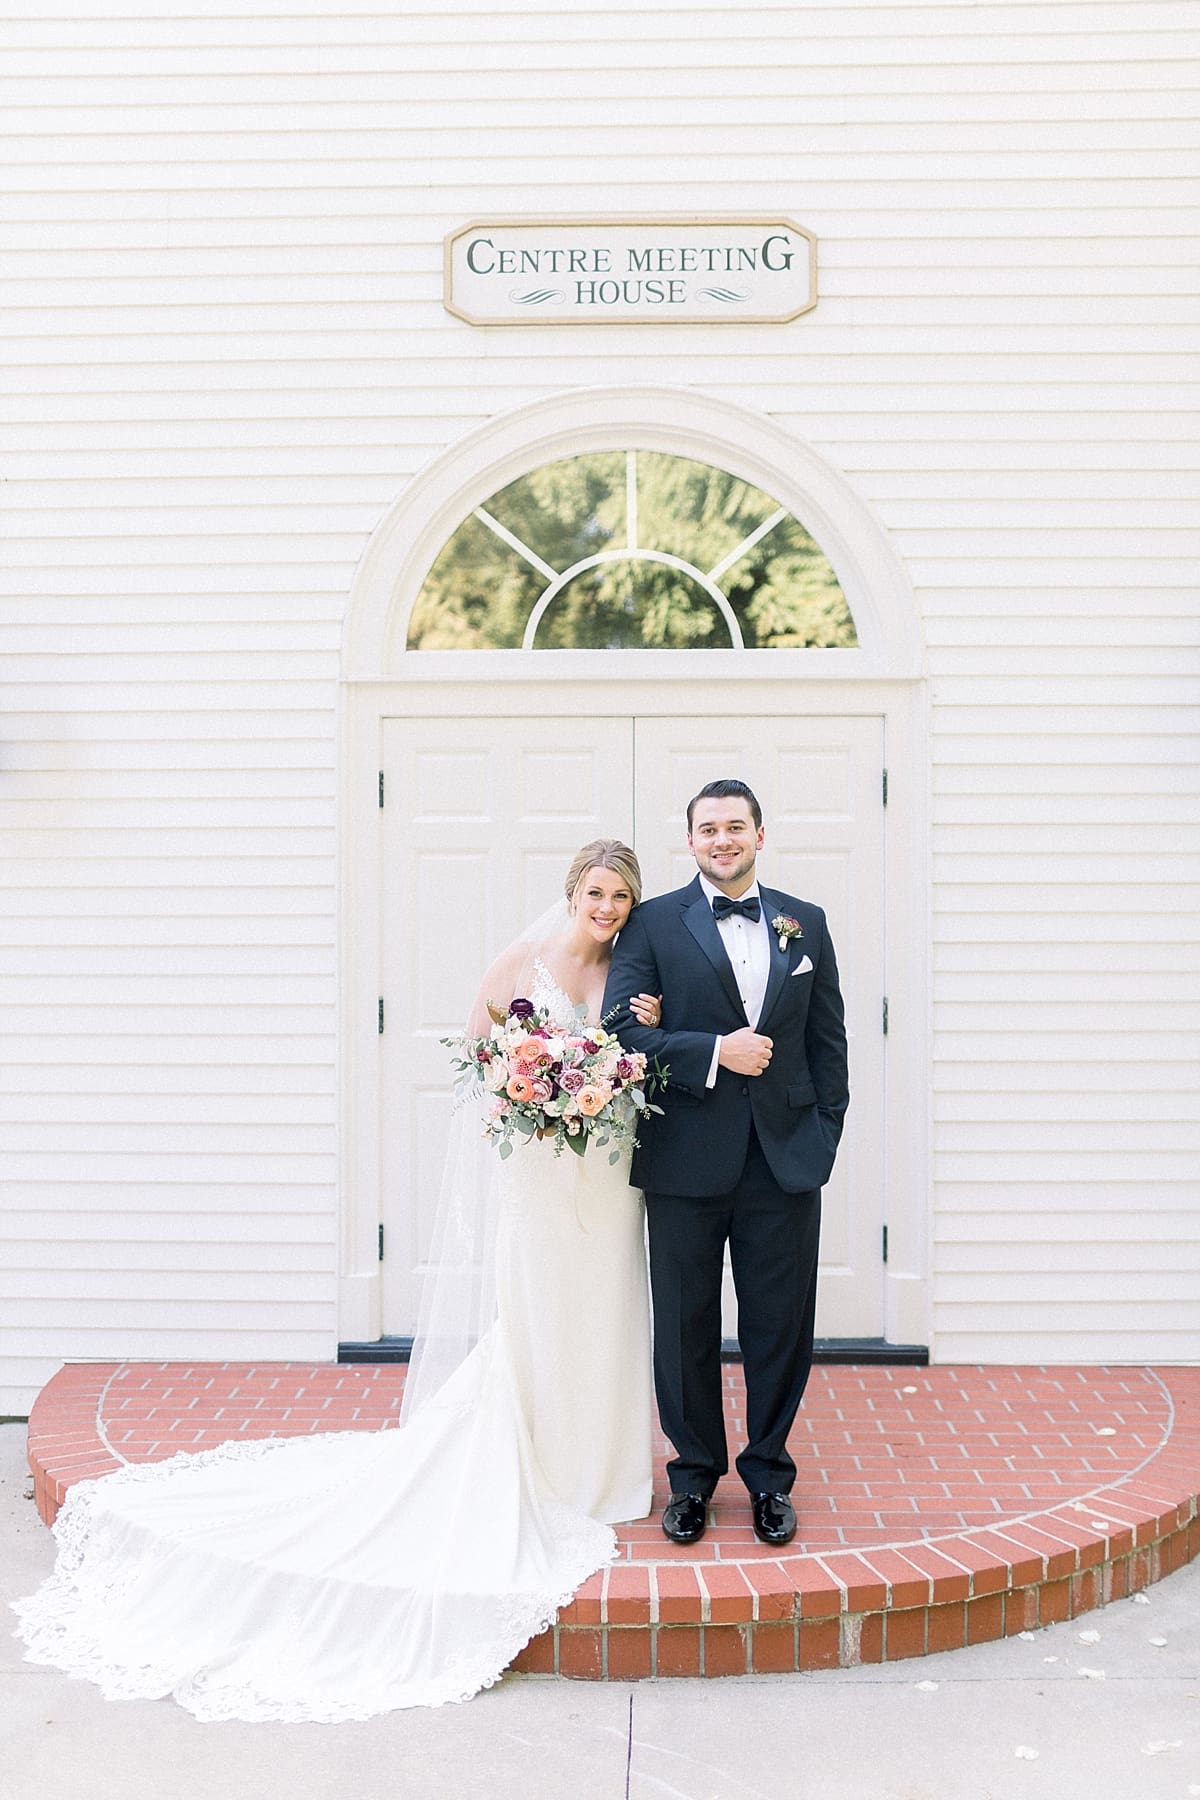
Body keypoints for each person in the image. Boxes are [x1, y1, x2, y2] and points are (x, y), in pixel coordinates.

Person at [13, 840, 662, 1723]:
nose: (608, 905)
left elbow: (646, 1053)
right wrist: (529, 1092)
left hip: (607, 1177)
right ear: (572, 891)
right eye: (597, 890)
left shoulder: (636, 966)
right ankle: (542, 1465)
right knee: (540, 1315)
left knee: (602, 1314)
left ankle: (602, 1467)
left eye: (621, 894)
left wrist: (615, 1064)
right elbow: (481, 1057)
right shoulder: (526, 961)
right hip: (540, 1176)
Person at [603, 780, 849, 1549]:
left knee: (780, 1327)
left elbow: (828, 1042)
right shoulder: (649, 925)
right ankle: (694, 1477)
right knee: (685, 1327)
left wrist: (824, 1135)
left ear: (760, 836)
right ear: (690, 841)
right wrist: (716, 1051)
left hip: (784, 1162)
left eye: (735, 826)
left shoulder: (805, 923)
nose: (722, 839)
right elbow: (621, 1035)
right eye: (708, 828)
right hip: (684, 1159)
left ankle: (770, 1475)